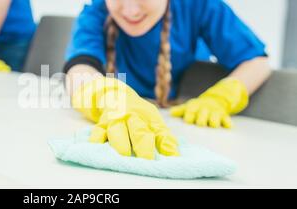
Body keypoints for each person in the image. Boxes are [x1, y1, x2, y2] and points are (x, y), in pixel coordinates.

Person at [64, 0, 271, 159]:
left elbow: (257, 62)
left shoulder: (198, 5)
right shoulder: (97, 10)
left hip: (189, 130)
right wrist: (109, 98)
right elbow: (80, 69)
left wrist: (220, 98)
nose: (130, 10)